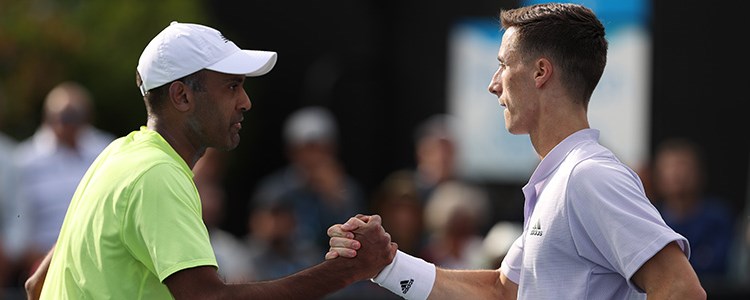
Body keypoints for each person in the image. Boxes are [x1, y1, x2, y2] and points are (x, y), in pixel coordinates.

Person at [326, 3, 706, 299]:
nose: (494, 85)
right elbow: (502, 292)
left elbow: (681, 288)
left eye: (503, 65)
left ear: (541, 72)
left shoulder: (589, 176)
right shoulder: (565, 177)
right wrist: (388, 265)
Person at [24, 21, 396, 299]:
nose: (245, 101)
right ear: (182, 96)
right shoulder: (157, 173)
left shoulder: (118, 155)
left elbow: (36, 285)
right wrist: (347, 270)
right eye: (232, 86)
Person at [9, 81, 115, 280]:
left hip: (100, 260)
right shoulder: (24, 161)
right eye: (61, 117)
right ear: (46, 118)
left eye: (74, 117)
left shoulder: (106, 152)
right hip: (40, 265)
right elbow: (19, 221)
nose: (66, 124)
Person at [249, 105, 367, 255]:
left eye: (321, 148)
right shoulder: (274, 189)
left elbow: (357, 242)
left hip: (329, 265)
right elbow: (259, 236)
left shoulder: (347, 189)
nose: (314, 157)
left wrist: (335, 198)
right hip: (281, 267)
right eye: (308, 149)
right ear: (291, 151)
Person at [651, 137, 735, 282]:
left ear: (700, 174)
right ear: (658, 176)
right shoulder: (651, 218)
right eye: (670, 167)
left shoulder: (717, 218)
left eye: (684, 166)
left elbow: (720, 265)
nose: (678, 174)